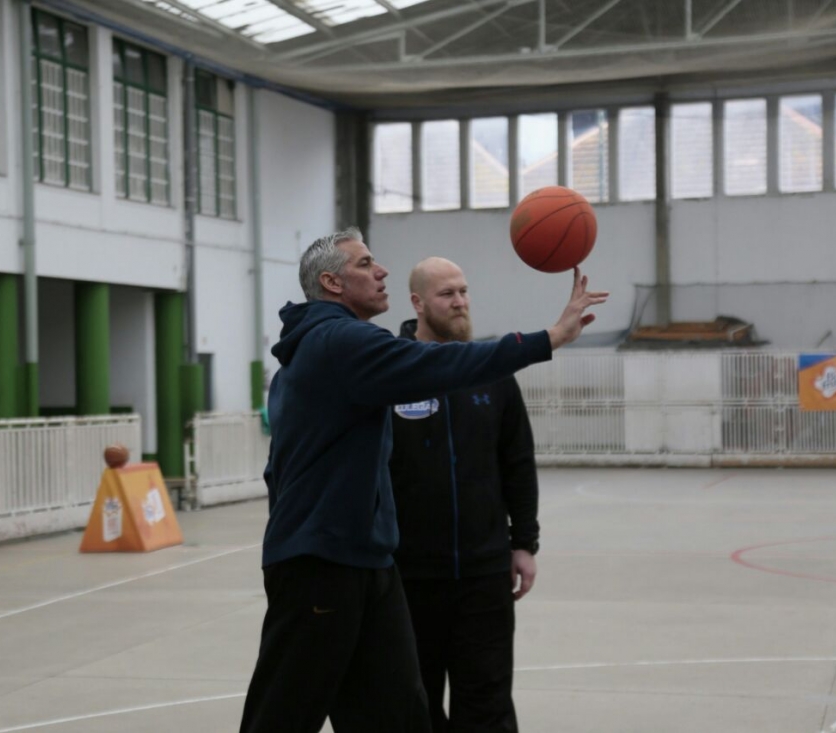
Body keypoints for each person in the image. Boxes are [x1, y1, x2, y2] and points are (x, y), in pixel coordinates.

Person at [239, 228, 607, 733]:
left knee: (398, 714)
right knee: (283, 714)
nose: (382, 270)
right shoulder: (339, 341)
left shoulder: (322, 352)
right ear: (332, 282)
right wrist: (548, 338)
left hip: (368, 560)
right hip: (322, 564)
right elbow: (438, 360)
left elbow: (276, 469)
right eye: (365, 263)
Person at [390, 257, 540, 733]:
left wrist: (524, 543)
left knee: (487, 706)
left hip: (484, 574)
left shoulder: (492, 372)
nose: (460, 302)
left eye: (463, 291)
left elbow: (517, 461)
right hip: (408, 576)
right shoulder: (392, 372)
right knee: (413, 707)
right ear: (417, 303)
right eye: (447, 294)